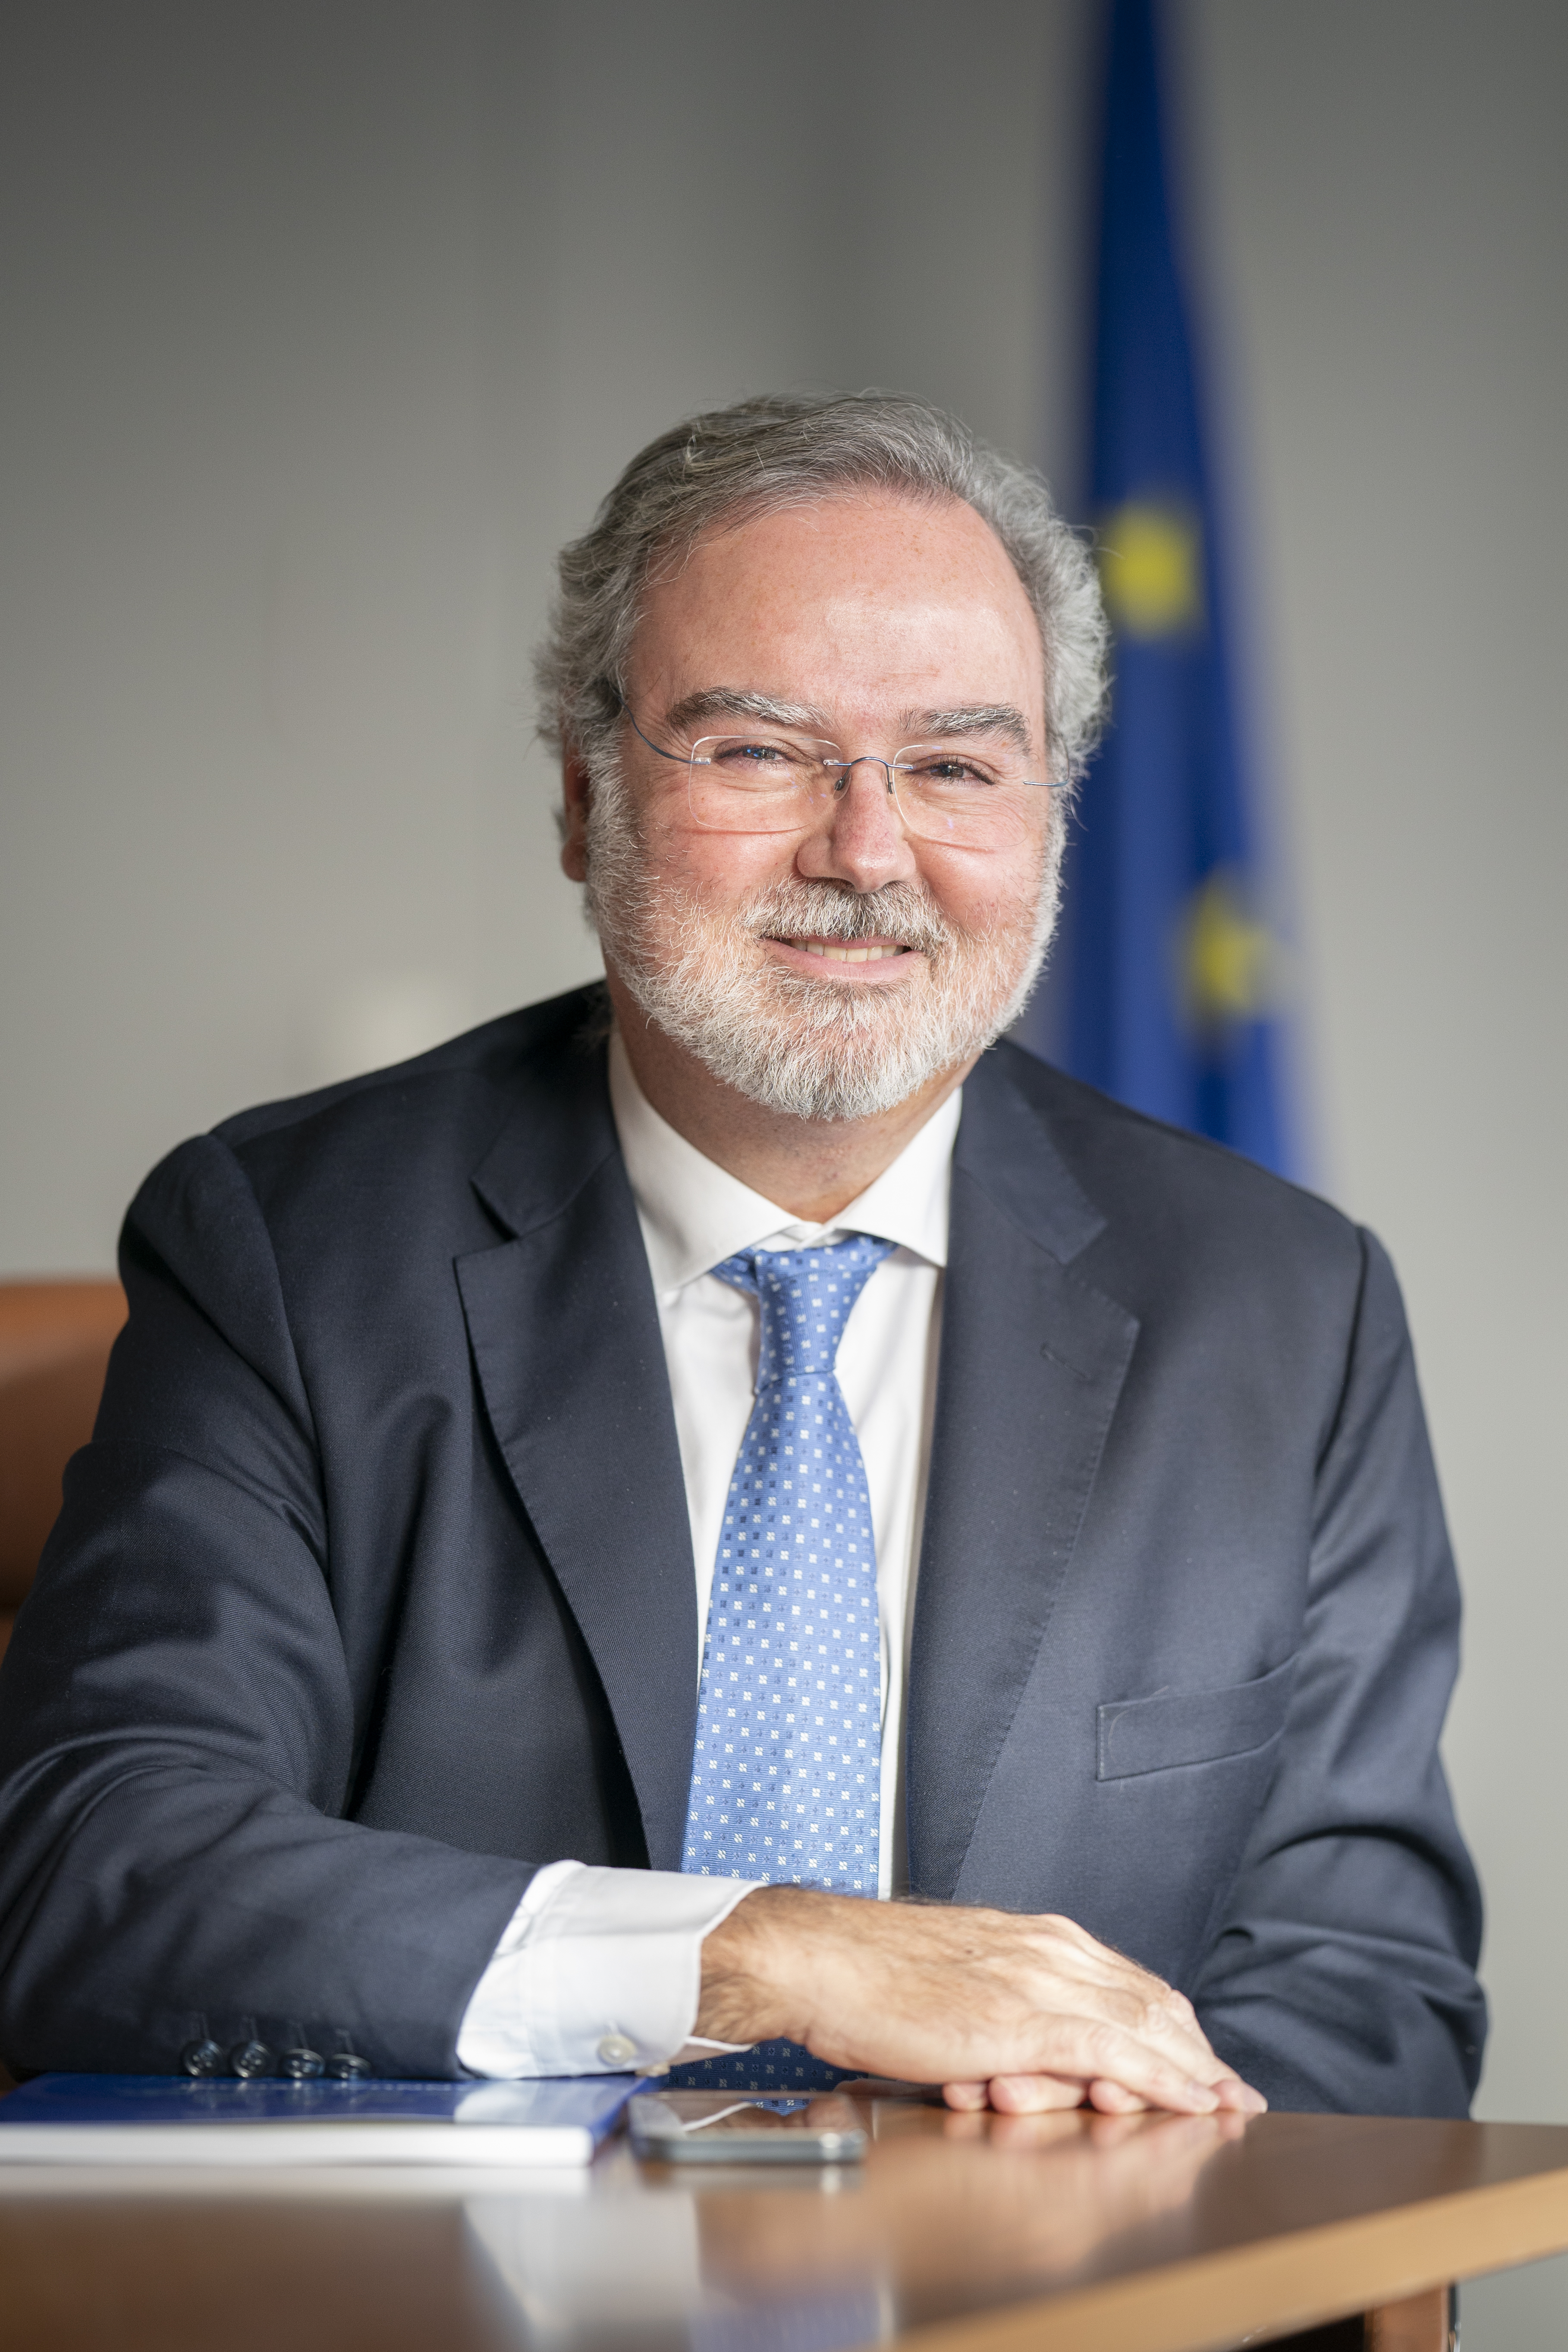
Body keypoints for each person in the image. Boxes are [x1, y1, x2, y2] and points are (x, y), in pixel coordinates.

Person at [0, 394, 1484, 2118]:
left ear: (1051, 817)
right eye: (759, 749)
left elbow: (1365, 2003)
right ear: (582, 799)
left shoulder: (1288, 1312)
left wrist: (1016, 2238)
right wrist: (754, 1952)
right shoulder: (286, 1246)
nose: (864, 850)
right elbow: (96, 1864)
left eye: (953, 764)